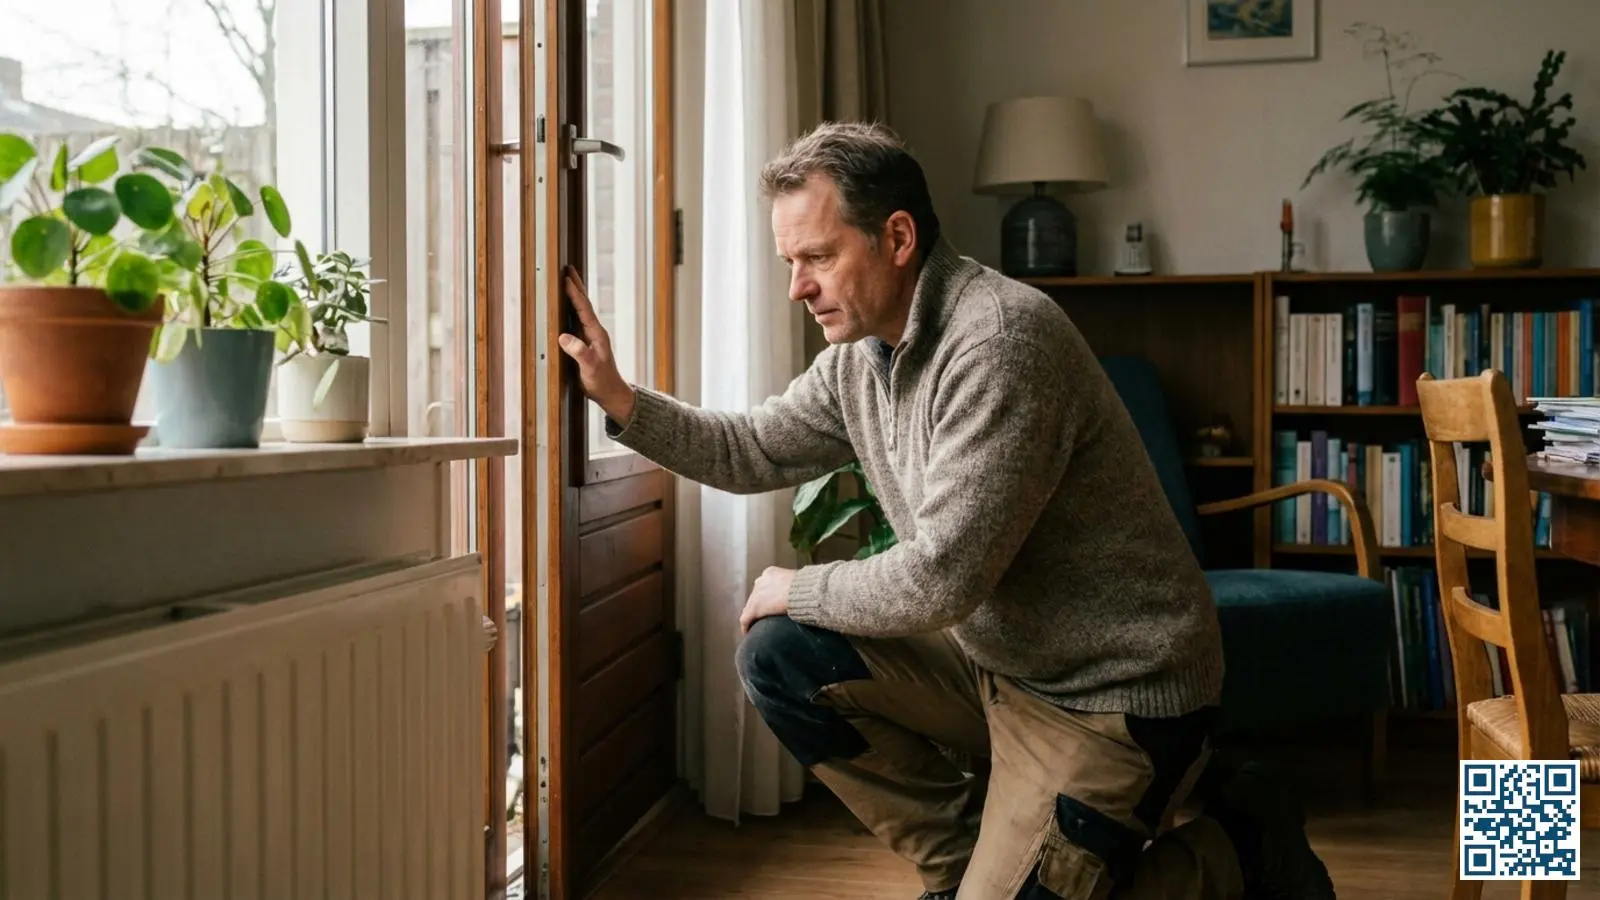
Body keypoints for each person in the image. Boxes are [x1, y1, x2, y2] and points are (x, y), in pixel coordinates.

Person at [557, 121, 1335, 900]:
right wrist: (619, 397)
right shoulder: (860, 361)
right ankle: (965, 874)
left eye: (819, 258)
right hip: (997, 664)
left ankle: (1242, 844)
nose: (798, 287)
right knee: (783, 654)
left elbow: (940, 579)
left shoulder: (999, 341)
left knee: (795, 614)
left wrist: (799, 585)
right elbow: (750, 448)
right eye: (791, 262)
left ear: (897, 237)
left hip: (1114, 698)